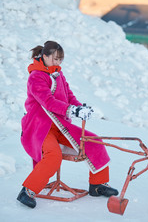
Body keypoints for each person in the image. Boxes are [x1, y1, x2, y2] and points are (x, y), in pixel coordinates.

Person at [17, 41, 118, 208]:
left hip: (59, 125)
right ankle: (27, 191)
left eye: (60, 60)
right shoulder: (36, 77)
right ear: (45, 56)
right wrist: (72, 110)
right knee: (53, 155)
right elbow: (48, 102)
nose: (58, 63)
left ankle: (98, 185)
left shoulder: (58, 74)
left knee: (94, 141)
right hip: (39, 127)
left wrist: (79, 108)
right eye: (55, 59)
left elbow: (69, 96)